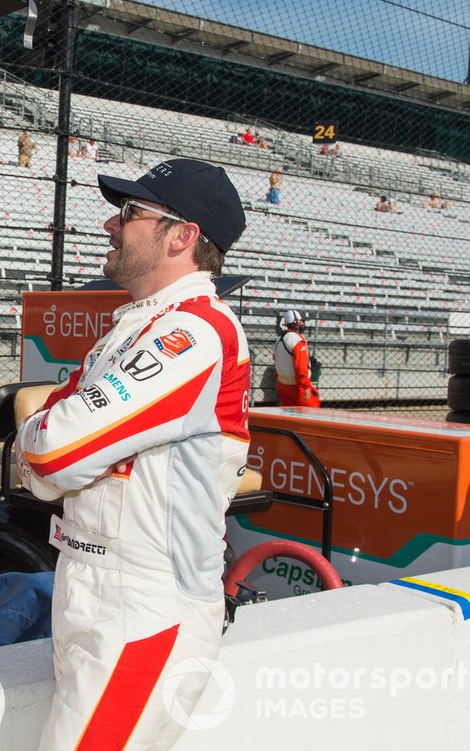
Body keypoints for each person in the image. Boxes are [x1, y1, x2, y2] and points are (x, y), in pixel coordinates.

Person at [16, 158, 250, 751]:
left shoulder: (195, 331)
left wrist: (32, 431)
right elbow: (49, 450)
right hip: (98, 592)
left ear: (182, 236)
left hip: (146, 608)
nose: (110, 224)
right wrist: (39, 435)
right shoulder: (134, 327)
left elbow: (49, 455)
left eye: (130, 213)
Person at [274, 308, 320, 408]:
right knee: (311, 414)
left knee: (287, 416)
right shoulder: (297, 340)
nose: (303, 323)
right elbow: (301, 367)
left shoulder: (278, 340)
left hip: (282, 385)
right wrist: (306, 386)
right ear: (295, 323)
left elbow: (276, 362)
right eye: (301, 321)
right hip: (296, 387)